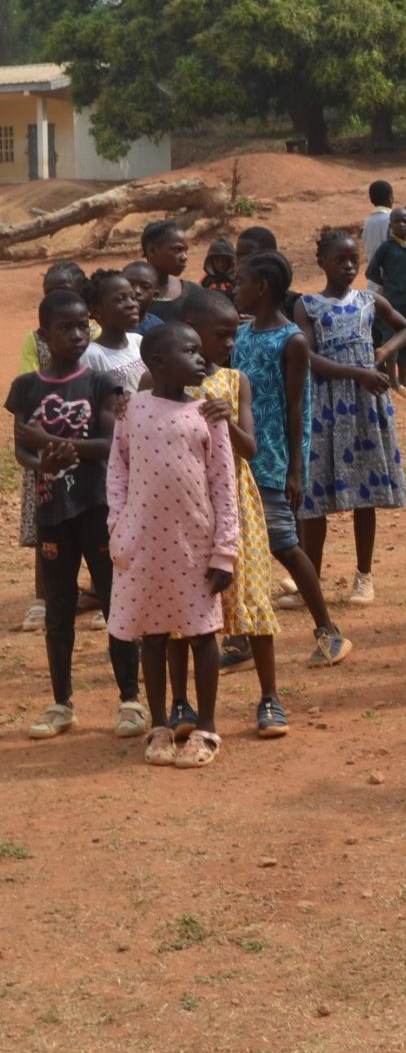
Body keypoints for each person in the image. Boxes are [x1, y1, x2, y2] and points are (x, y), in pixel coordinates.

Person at [6, 289, 146, 740]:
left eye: (83, 325)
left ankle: (130, 699)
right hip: (52, 511)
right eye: (65, 328)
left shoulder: (101, 383)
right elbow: (21, 451)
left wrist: (48, 442)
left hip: (97, 507)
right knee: (59, 607)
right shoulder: (26, 387)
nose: (77, 334)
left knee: (114, 599)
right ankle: (61, 702)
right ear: (44, 334)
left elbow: (108, 446)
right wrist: (40, 461)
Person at [108, 323, 238, 768]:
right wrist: (117, 528)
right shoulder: (132, 410)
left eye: (202, 351)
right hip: (143, 547)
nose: (203, 359)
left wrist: (225, 549)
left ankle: (207, 727)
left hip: (195, 547)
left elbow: (225, 487)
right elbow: (117, 473)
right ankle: (160, 724)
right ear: (159, 362)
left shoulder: (209, 415)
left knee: (203, 635)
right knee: (154, 636)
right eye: (191, 351)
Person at [164, 291, 286, 735]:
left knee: (251, 597)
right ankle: (180, 703)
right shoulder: (155, 385)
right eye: (221, 335)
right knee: (181, 610)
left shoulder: (235, 381)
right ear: (188, 327)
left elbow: (251, 449)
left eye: (233, 335)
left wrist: (225, 420)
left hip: (236, 507)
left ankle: (270, 697)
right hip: (180, 513)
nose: (228, 344)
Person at [232, 251, 350, 667]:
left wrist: (295, 470)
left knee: (285, 544)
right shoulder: (243, 335)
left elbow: (297, 407)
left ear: (261, 287)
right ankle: (242, 638)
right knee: (239, 546)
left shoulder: (291, 340)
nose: (234, 288)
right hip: (238, 455)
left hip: (272, 461)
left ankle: (329, 631)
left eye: (240, 280)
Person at [295, 230, 406, 604]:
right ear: (322, 262)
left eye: (353, 260)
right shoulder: (307, 305)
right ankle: (309, 581)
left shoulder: (369, 299)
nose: (347, 266)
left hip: (365, 404)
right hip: (327, 404)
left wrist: (383, 352)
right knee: (315, 497)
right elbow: (307, 356)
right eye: (339, 260)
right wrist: (356, 372)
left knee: (366, 493)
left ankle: (364, 575)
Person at [15, 263, 90, 636]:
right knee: (45, 526)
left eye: (65, 288)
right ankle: (42, 597)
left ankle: (92, 592)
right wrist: (42, 449)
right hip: (45, 456)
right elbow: (29, 389)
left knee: (93, 523)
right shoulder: (36, 339)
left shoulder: (90, 336)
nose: (55, 294)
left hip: (84, 450)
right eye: (49, 289)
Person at [367, 206, 406, 396]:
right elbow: (370, 272)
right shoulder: (386, 247)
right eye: (397, 221)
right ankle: (394, 383)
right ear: (391, 225)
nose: (402, 225)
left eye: (405, 221)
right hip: (391, 302)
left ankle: (405, 382)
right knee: (391, 340)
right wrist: (387, 284)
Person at [81, 270, 146, 394]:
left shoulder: (138, 341)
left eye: (133, 298)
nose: (132, 304)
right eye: (120, 299)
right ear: (97, 311)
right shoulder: (93, 355)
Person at [141, 219, 203, 324]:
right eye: (177, 250)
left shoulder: (194, 294)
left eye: (185, 251)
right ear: (152, 251)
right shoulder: (130, 297)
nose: (184, 257)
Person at [122, 261, 166, 334]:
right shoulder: (108, 323)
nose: (136, 291)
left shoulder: (159, 330)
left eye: (145, 287)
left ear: (155, 295)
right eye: (130, 284)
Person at [362, 179, 395, 267]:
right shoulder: (393, 219)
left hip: (373, 276)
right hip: (391, 275)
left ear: (371, 200)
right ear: (391, 198)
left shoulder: (367, 222)